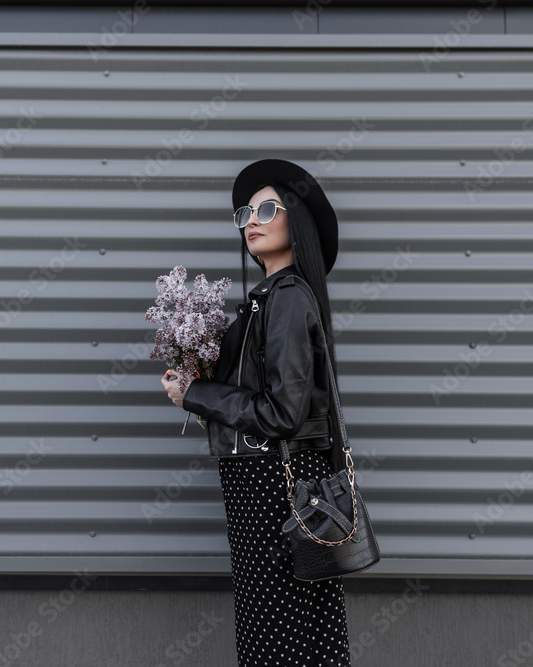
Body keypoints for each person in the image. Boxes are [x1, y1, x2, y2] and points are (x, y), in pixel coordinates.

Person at [160, 159, 352, 666]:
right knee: (285, 628)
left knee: (279, 631)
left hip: (275, 491)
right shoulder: (266, 300)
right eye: (246, 211)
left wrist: (194, 395)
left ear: (298, 221)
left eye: (268, 208)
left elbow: (282, 414)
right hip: (266, 490)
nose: (252, 219)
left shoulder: (287, 297)